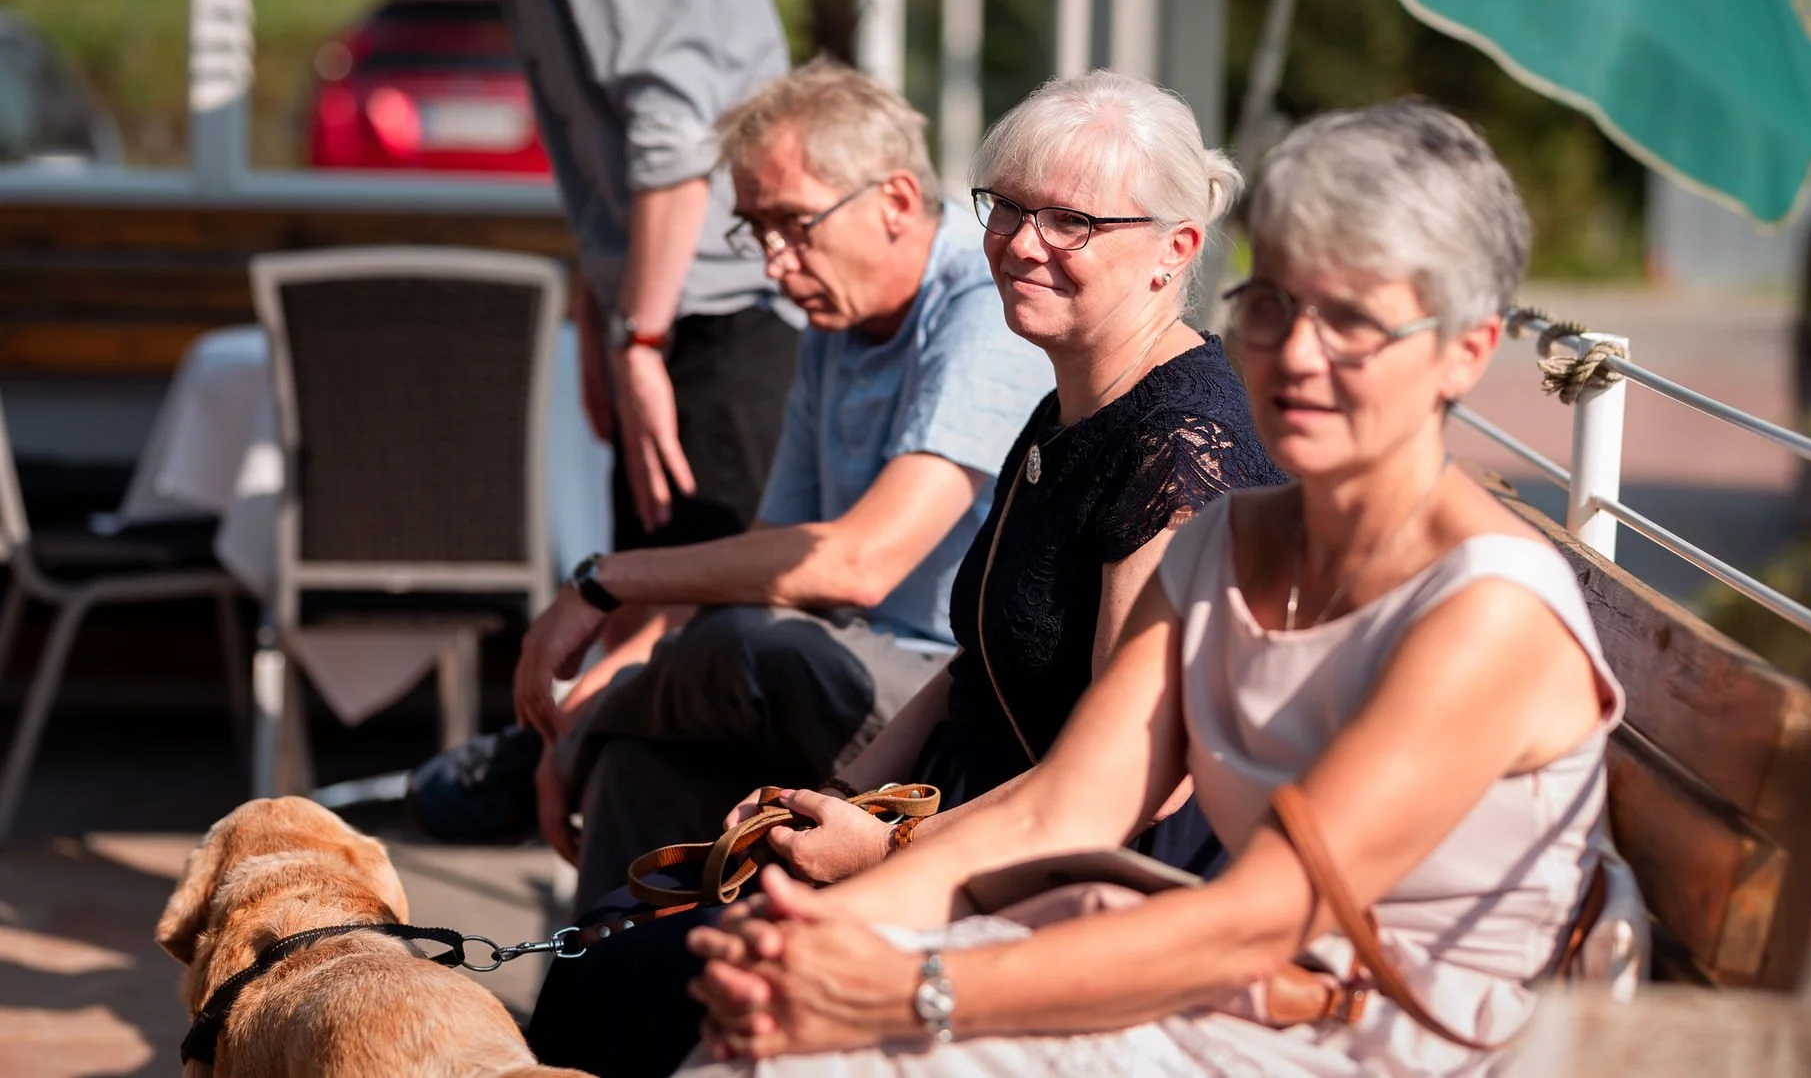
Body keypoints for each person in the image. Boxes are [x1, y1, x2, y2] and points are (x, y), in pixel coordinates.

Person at [682, 99, 1625, 1078]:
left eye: (1352, 323)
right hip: (1223, 989)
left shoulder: (1486, 608)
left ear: (1464, 352)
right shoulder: (1225, 539)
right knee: (752, 1033)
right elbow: (1061, 812)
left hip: (1360, 1039)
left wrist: (911, 986)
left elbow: (1256, 915)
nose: (1298, 355)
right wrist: (809, 935)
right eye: (1274, 306)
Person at [524, 70, 1286, 1077]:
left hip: (1064, 894)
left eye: (1071, 222)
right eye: (1008, 208)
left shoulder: (1180, 449)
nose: (1021, 243)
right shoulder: (1068, 404)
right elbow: (971, 663)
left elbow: (1123, 795)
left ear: (1173, 251)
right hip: (959, 828)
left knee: (639, 982)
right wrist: (831, 798)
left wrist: (880, 857)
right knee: (614, 943)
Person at [512, 60, 1054, 903]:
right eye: (757, 230)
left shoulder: (985, 306)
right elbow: (768, 566)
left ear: (898, 201)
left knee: (758, 649)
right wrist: (590, 709)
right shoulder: (835, 319)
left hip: (955, 705)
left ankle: (504, 767)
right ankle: (605, 1010)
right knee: (636, 755)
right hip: (842, 677)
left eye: (794, 225)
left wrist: (607, 583)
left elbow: (856, 564)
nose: (773, 264)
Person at [327, 0, 799, 611]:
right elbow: (609, 147)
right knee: (658, 634)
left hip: (719, 315)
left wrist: (641, 336)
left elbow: (675, 132)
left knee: (710, 644)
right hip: (677, 308)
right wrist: (606, 304)